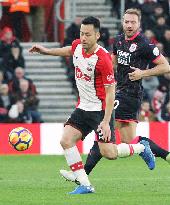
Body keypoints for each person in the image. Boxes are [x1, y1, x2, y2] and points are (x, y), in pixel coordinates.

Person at [29, 16, 155, 195]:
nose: (83, 38)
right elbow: (69, 50)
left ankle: (141, 147)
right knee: (66, 140)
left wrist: (105, 121)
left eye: (87, 34)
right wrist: (46, 51)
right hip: (83, 108)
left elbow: (111, 93)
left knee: (109, 153)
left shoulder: (103, 59)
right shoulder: (78, 47)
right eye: (81, 33)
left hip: (100, 110)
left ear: (97, 35)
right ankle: (85, 184)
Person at [59, 9, 170, 184]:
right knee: (128, 140)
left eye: (133, 22)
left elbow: (166, 67)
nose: (129, 25)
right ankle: (157, 151)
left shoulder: (145, 44)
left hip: (131, 95)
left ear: (139, 24)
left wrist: (143, 73)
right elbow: (112, 63)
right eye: (126, 22)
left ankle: (81, 175)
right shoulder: (118, 40)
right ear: (122, 23)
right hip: (119, 91)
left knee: (103, 129)